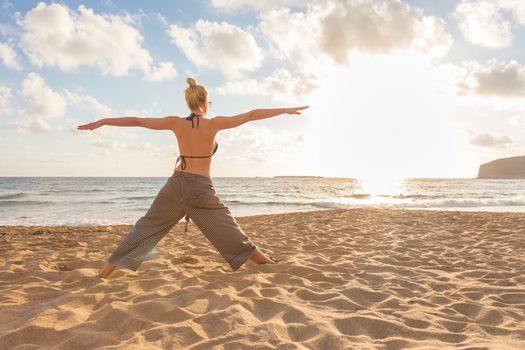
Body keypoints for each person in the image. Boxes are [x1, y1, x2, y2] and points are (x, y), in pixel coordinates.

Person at [77, 77, 308, 278]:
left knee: (146, 228)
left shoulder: (176, 123)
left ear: (189, 102)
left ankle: (105, 273)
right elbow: (251, 115)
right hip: (199, 187)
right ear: (206, 103)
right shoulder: (214, 124)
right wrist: (284, 110)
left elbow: (138, 121)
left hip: (175, 185)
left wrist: (102, 122)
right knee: (228, 229)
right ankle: (266, 263)